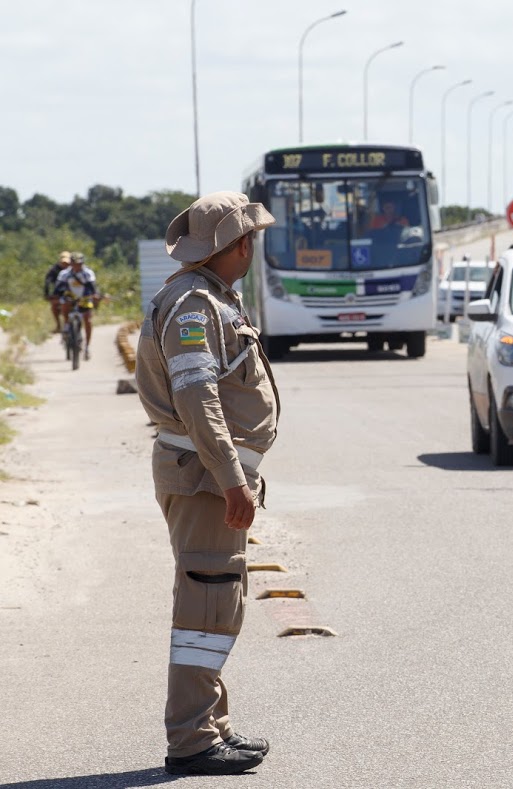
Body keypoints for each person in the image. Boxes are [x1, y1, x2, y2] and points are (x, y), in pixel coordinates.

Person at [135, 192, 280, 776]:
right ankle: (192, 739)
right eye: (249, 239)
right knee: (206, 601)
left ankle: (209, 724)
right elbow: (198, 398)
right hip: (203, 479)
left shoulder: (210, 298)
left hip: (205, 476)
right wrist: (230, 480)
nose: (253, 247)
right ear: (233, 245)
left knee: (215, 598)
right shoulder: (195, 306)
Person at [54, 252, 100, 359]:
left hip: (84, 298)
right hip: (70, 297)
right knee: (64, 303)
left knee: (88, 320)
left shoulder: (88, 273)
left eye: (79, 264)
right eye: (74, 263)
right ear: (71, 263)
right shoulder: (64, 274)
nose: (77, 266)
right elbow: (58, 288)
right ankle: (66, 326)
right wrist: (56, 296)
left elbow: (92, 287)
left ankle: (87, 347)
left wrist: (95, 295)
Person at [44, 250, 71, 332]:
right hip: (60, 293)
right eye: (63, 263)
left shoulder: (75, 269)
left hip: (74, 293)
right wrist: (47, 293)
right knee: (54, 306)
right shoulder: (54, 270)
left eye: (67, 263)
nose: (65, 265)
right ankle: (59, 326)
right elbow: (48, 282)